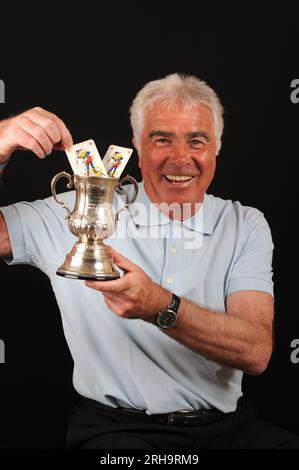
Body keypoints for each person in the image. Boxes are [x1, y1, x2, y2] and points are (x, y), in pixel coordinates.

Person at [0, 73, 298, 449]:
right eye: (161, 139)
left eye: (197, 140)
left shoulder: (244, 224)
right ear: (138, 148)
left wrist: (160, 306)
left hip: (229, 431)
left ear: (216, 148)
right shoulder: (85, 207)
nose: (180, 158)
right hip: (118, 431)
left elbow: (255, 351)